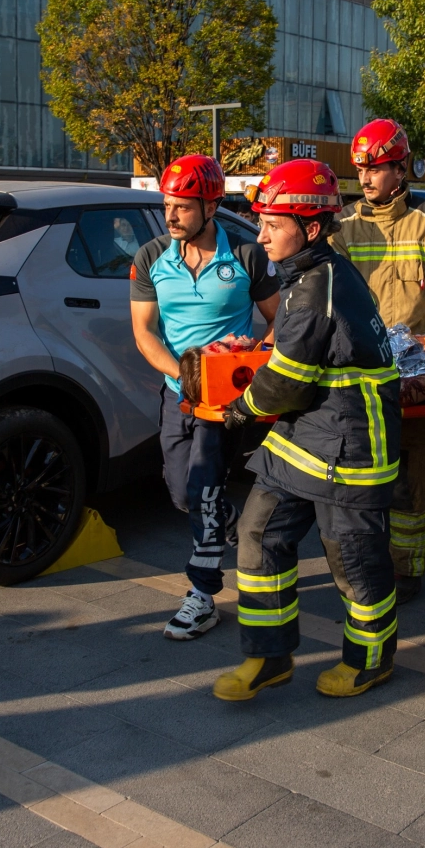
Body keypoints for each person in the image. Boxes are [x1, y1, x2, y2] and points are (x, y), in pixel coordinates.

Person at [212, 159, 402, 701]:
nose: (262, 233)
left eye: (274, 223)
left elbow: (288, 381)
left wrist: (238, 410)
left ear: (311, 230)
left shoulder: (317, 284)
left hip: (351, 443)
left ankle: (370, 661)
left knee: (355, 562)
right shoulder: (309, 278)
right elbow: (296, 363)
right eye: (262, 221)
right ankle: (268, 657)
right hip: (308, 434)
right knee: (258, 532)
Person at [130, 155, 279, 640]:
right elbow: (145, 334)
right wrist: (184, 376)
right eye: (168, 205)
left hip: (226, 405)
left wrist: (251, 359)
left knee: (204, 487)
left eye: (183, 207)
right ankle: (224, 519)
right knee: (181, 492)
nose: (171, 216)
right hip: (180, 395)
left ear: (211, 206)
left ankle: (202, 595)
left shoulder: (245, 254)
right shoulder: (151, 258)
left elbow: (279, 320)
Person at [332, 118, 425, 600]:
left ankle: (409, 567)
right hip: (363, 378)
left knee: (415, 476)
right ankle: (369, 565)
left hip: (420, 376)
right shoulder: (344, 227)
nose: (366, 178)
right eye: (361, 169)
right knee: (367, 479)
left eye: (376, 168)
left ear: (402, 168)